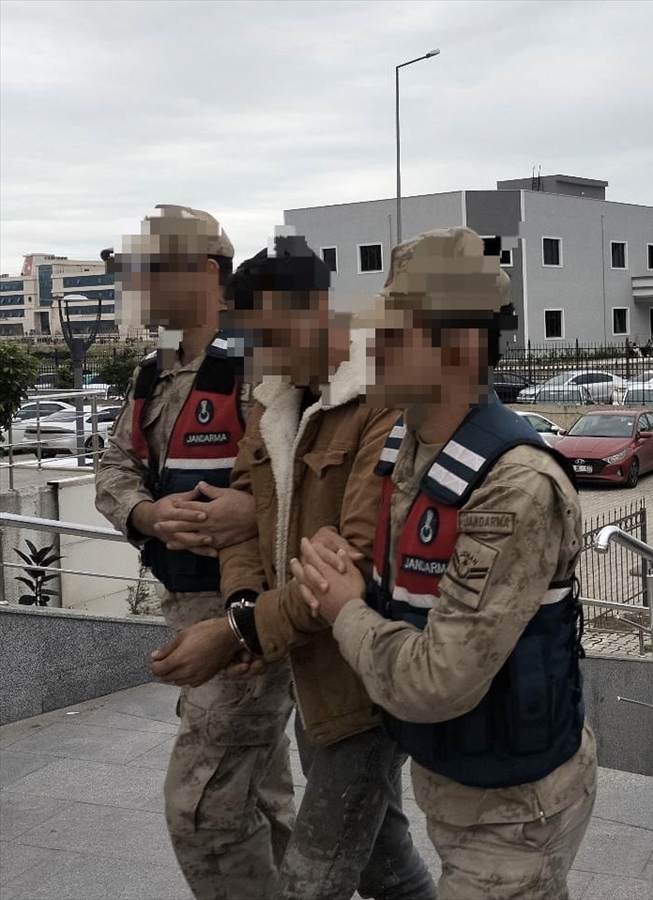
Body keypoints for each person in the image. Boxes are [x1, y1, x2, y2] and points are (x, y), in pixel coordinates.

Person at [290, 227, 596, 900]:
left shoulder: (514, 487)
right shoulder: (413, 441)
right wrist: (361, 575)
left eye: (395, 332)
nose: (373, 344)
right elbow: (416, 589)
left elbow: (439, 679)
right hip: (458, 783)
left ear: (456, 348)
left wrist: (343, 607)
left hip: (515, 814)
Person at [145, 234, 436, 900]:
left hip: (367, 680)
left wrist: (237, 632)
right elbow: (245, 520)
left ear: (316, 309)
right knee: (383, 863)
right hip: (309, 670)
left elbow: (352, 562)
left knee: (315, 879)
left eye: (269, 333)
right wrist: (245, 608)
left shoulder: (386, 398)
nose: (258, 352)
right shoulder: (274, 396)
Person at [95, 205, 295, 899]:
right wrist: (150, 512)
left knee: (202, 808)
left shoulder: (269, 359)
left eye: (150, 272)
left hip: (250, 616)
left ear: (206, 273)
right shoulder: (153, 374)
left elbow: (323, 478)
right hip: (185, 606)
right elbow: (114, 468)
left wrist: (254, 510)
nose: (137, 288)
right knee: (260, 799)